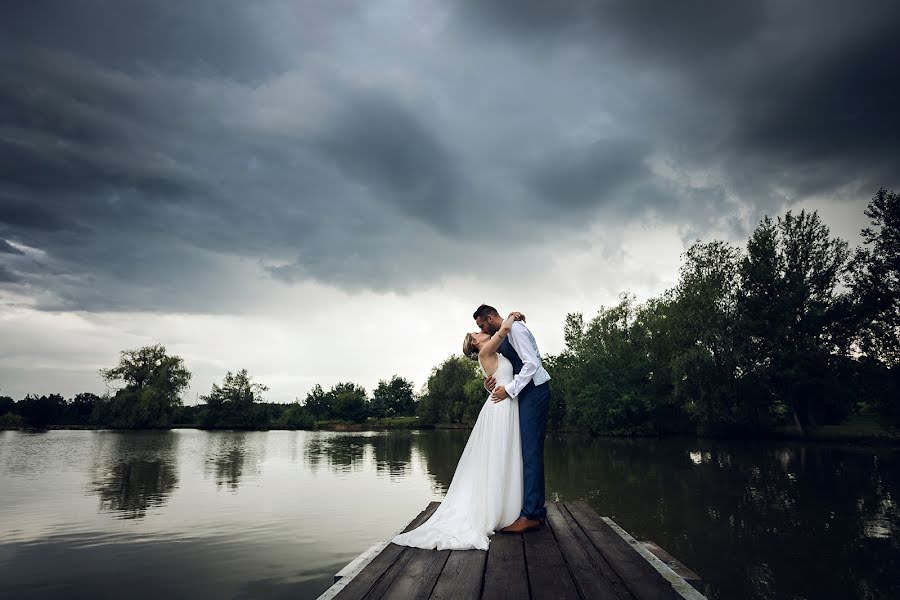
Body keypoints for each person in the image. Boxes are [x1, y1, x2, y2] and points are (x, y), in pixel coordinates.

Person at [391, 311, 526, 550]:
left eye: (479, 329)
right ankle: (494, 509)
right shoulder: (486, 351)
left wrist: (489, 384)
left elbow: (499, 371)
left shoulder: (491, 352)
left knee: (501, 456)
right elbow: (503, 330)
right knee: (497, 456)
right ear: (476, 342)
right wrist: (512, 315)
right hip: (501, 408)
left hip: (503, 404)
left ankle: (504, 504)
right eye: (476, 332)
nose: (481, 331)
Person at [475, 304, 551, 534]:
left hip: (534, 391)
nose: (480, 329)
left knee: (530, 453)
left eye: (481, 325)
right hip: (524, 394)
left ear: (489, 318)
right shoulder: (506, 333)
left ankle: (531, 515)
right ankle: (532, 509)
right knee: (526, 452)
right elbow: (501, 369)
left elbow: (531, 363)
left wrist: (509, 389)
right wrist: (492, 383)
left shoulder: (515, 330)